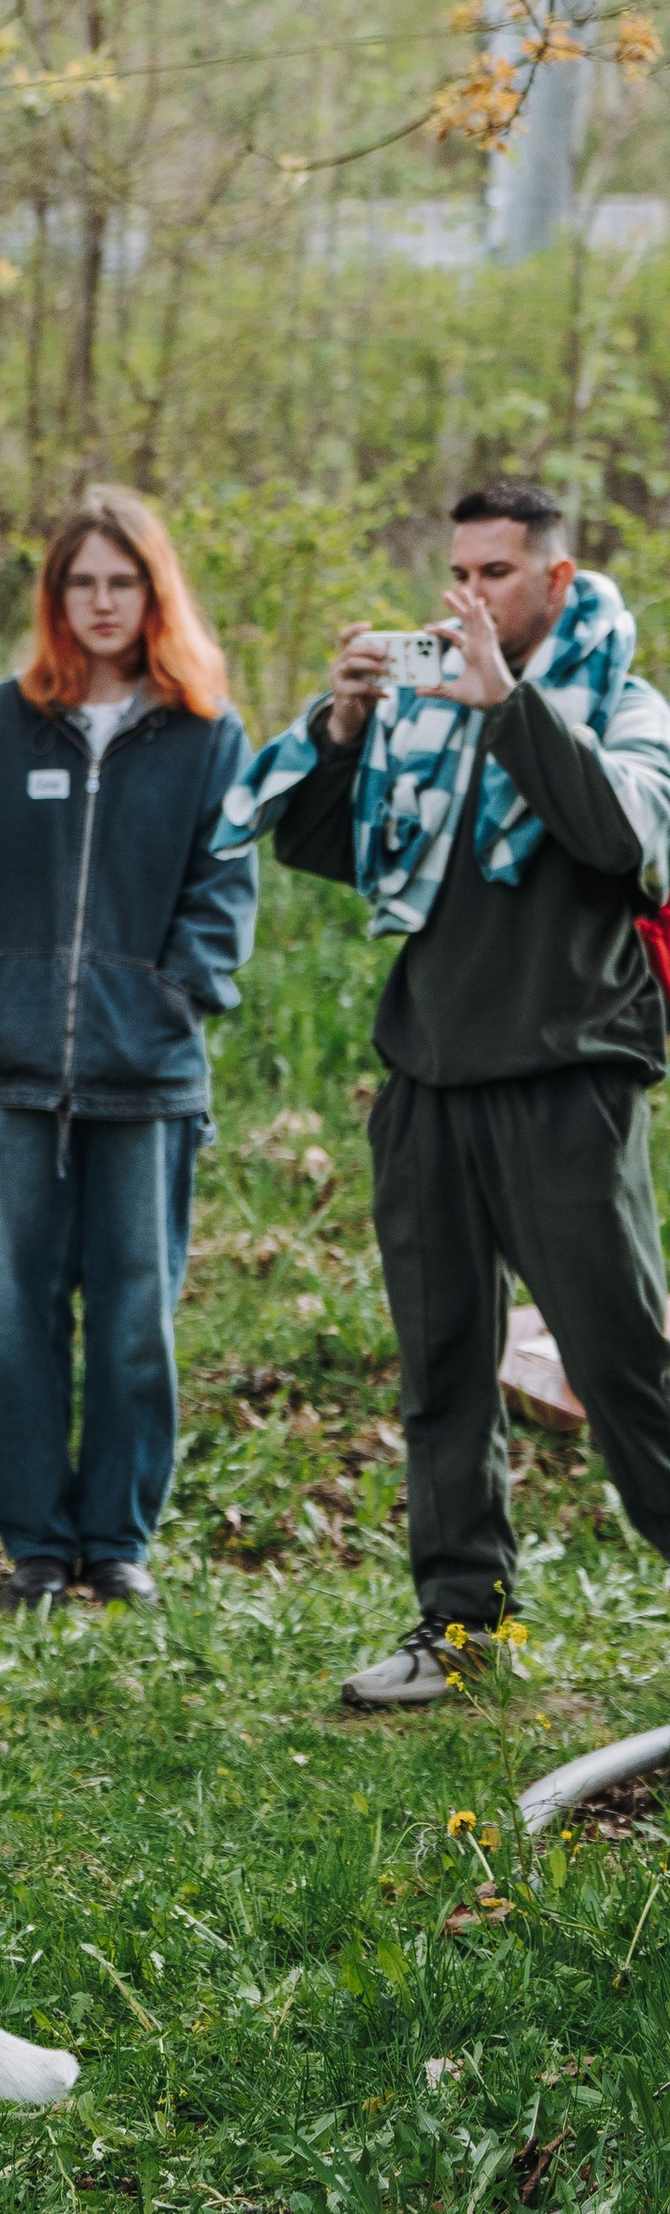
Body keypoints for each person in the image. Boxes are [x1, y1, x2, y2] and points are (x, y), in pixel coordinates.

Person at [219, 475, 670, 1707]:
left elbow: (625, 837)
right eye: (457, 574)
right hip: (425, 1075)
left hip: (566, 1081)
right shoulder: (426, 719)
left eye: (497, 575)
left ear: (558, 581)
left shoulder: (624, 709)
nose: (468, 597)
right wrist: (345, 727)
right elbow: (323, 845)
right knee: (444, 1366)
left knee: (626, 1365)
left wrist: (510, 706)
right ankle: (459, 1625)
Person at [0, 487, 256, 1605]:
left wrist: (176, 995)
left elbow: (225, 887)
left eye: (124, 581)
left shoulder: (207, 735)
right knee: (10, 1328)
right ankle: (35, 1551)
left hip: (147, 1080)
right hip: (6, 1079)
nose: (103, 602)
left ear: (155, 593)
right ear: (54, 597)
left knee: (132, 1329)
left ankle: (118, 1544)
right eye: (82, 582)